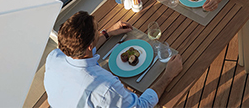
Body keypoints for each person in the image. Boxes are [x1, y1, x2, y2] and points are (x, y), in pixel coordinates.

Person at [44, 11, 183, 108]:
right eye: (97, 30)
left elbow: (82, 52)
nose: (99, 31)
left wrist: (107, 33)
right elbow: (141, 106)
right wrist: (168, 75)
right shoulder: (106, 88)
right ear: (89, 45)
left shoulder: (54, 57)